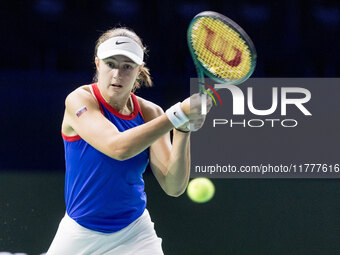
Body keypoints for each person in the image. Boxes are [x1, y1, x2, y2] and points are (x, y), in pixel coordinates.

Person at [46, 27, 211, 255]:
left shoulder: (151, 113)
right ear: (97, 64)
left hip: (134, 232)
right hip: (80, 232)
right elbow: (118, 147)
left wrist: (183, 130)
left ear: (138, 70)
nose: (117, 74)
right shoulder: (79, 100)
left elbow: (174, 187)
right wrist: (177, 115)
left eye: (127, 67)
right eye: (110, 64)